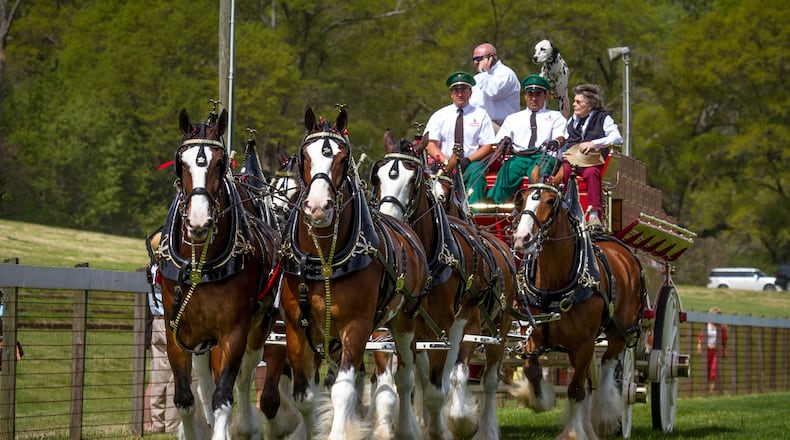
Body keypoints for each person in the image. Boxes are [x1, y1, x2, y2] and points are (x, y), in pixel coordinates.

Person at [488, 74, 567, 204]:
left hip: (544, 156)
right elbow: (500, 139)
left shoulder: (556, 116)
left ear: (545, 96)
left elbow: (561, 137)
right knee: (508, 169)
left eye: (538, 95)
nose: (534, 98)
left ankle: (534, 206)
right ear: (525, 96)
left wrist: (556, 142)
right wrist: (504, 142)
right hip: (520, 156)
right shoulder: (513, 118)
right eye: (530, 95)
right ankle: (495, 204)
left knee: (536, 174)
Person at [424, 71, 496, 205]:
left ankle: (473, 217)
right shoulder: (440, 115)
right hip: (443, 165)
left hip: (470, 164)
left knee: (478, 171)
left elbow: (487, 146)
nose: (460, 94)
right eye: (456, 91)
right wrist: (447, 162)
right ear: (451, 94)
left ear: (470, 92)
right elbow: (431, 144)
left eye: (463, 90)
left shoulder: (481, 115)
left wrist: (468, 160)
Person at [559, 84, 622, 230]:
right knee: (563, 171)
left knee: (592, 173)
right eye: (574, 101)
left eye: (578, 102)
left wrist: (594, 143)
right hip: (573, 159)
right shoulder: (572, 121)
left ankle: (594, 216)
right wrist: (560, 153)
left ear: (590, 105)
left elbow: (617, 137)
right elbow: (565, 140)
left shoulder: (603, 118)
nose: (574, 104)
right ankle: (561, 208)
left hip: (592, 161)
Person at [146, 232, 179, 433]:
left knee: (159, 374)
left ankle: (157, 422)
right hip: (169, 322)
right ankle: (172, 424)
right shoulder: (168, 269)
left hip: (155, 321)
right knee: (178, 374)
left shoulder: (152, 268)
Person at [469, 43, 521, 131]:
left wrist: (483, 72)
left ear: (492, 57)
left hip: (503, 125)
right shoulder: (478, 77)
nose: (475, 62)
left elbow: (492, 92)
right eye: (474, 59)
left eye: (479, 58)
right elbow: (473, 102)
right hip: (481, 122)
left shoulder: (505, 73)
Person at [697, 306, 727, 393]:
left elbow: (724, 340)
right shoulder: (707, 325)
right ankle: (705, 388)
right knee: (707, 368)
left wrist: (724, 329)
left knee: (714, 368)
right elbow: (700, 337)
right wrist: (699, 348)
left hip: (717, 350)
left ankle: (712, 388)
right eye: (713, 315)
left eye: (716, 315)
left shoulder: (721, 327)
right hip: (707, 349)